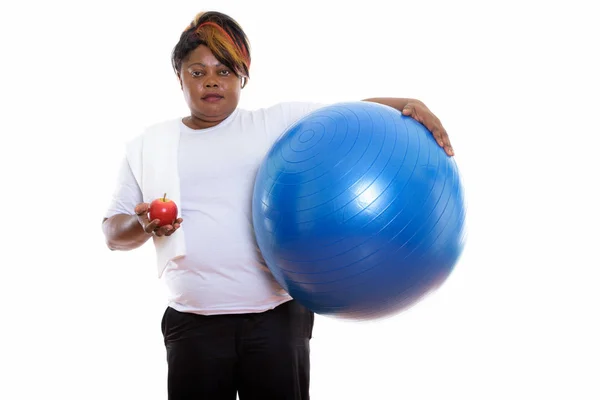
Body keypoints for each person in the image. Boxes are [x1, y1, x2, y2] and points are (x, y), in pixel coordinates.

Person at [102, 10, 454, 400]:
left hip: (276, 323)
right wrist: (144, 225)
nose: (211, 82)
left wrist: (409, 102)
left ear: (242, 76)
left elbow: (351, 120)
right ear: (179, 78)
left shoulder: (277, 124)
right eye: (197, 72)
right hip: (193, 325)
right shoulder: (150, 145)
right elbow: (113, 232)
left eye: (224, 70)